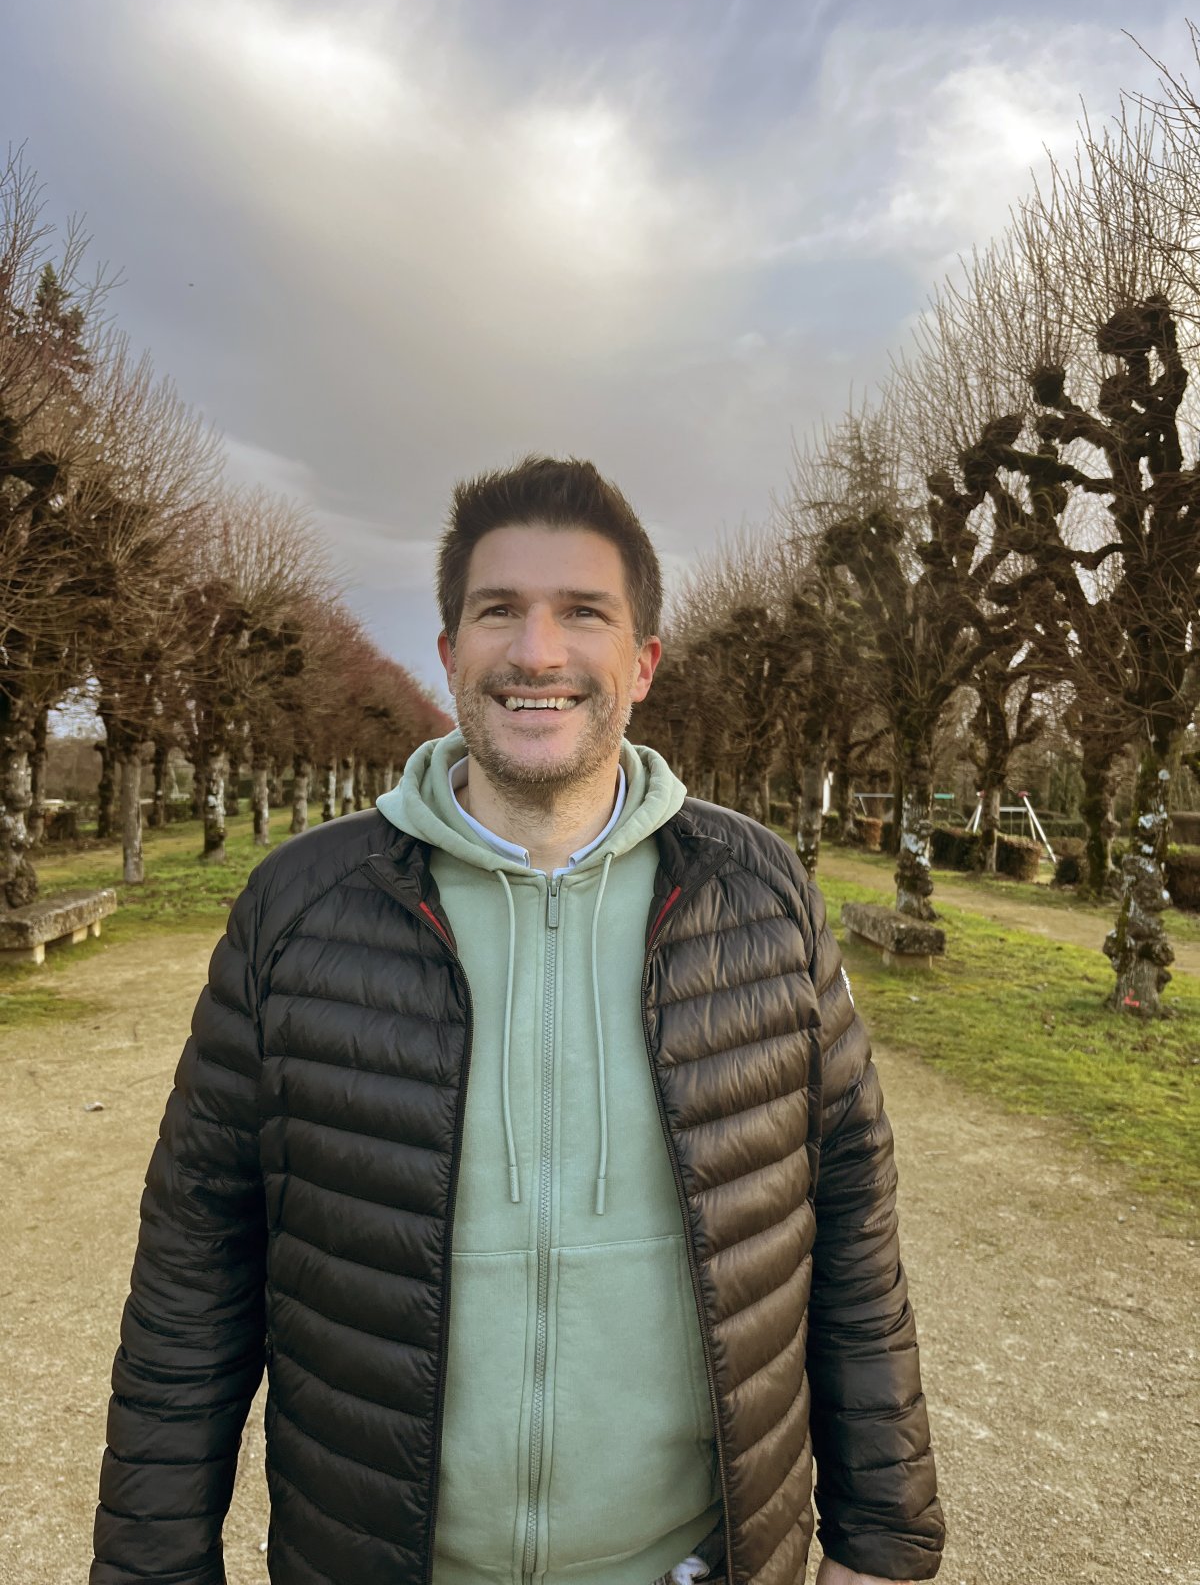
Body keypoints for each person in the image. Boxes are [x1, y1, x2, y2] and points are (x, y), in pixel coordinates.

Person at [92, 456, 944, 1585]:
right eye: (500, 610)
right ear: (451, 654)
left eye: (583, 612)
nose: (537, 652)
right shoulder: (299, 906)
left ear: (642, 663)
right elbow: (195, 1256)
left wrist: (882, 1537)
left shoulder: (761, 894)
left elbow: (850, 1219)